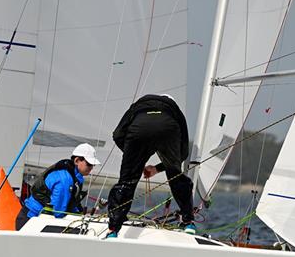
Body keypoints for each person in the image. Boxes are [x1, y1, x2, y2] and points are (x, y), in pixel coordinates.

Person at [106, 94, 195, 238]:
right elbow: (182, 154)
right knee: (176, 176)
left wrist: (134, 158)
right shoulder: (174, 110)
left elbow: (117, 134)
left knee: (127, 182)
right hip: (168, 127)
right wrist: (158, 168)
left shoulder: (138, 105)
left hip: (138, 128)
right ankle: (188, 221)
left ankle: (113, 229)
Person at [15, 143, 100, 230]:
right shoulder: (65, 179)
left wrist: (80, 215)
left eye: (93, 165)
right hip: (30, 220)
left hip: (38, 219)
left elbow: (71, 204)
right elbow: (58, 211)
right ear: (77, 160)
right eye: (89, 164)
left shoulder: (75, 177)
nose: (91, 168)